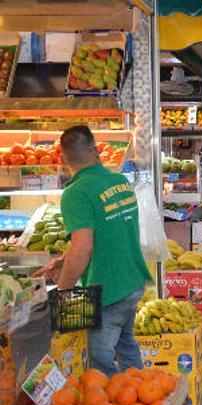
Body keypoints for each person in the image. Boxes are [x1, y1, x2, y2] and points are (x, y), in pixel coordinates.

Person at [36, 126, 152, 376]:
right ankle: (142, 394)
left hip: (108, 288)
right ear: (96, 150)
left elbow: (83, 246)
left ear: (63, 158)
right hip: (132, 279)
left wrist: (64, 290)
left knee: (100, 359)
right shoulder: (119, 181)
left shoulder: (76, 193)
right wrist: (61, 263)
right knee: (126, 342)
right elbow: (105, 234)